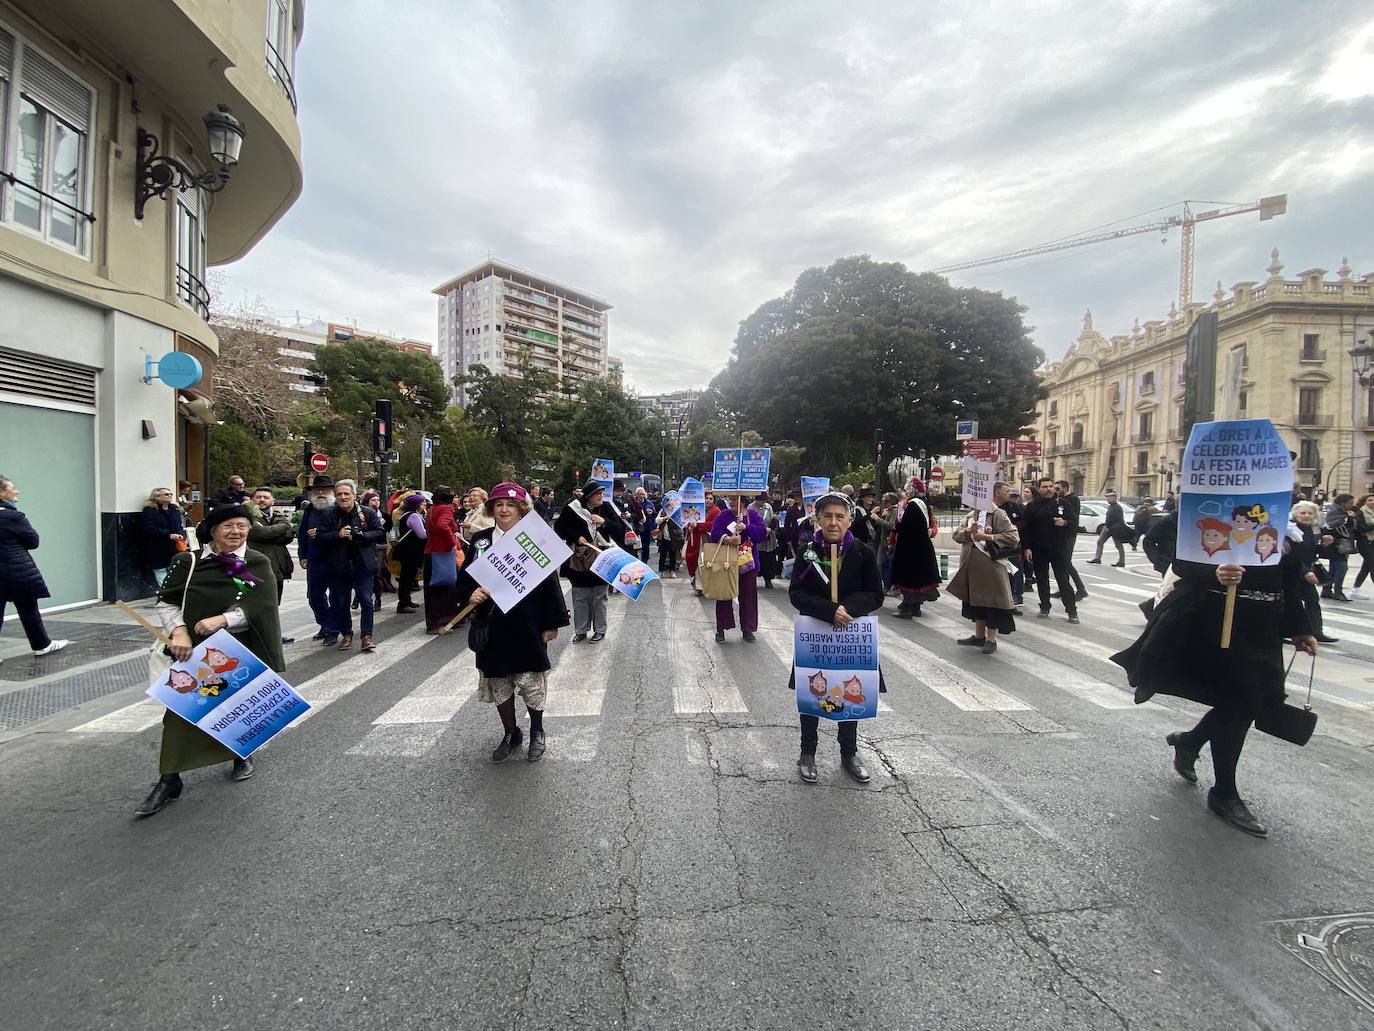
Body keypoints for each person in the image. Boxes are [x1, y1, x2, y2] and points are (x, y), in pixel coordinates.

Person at [1111, 525, 1318, 838]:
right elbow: (1180, 564)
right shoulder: (1212, 515)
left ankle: (1190, 741)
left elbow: (1288, 583)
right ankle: (1224, 793)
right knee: (1239, 702)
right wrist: (1214, 573)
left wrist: (1301, 628)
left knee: (1247, 703)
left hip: (1265, 631)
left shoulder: (1280, 527)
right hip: (1219, 625)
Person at [136, 503, 286, 817]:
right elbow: (167, 602)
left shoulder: (245, 564)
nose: (236, 532)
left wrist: (224, 619)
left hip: (234, 650)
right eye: (229, 526)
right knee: (181, 714)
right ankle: (169, 779)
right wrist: (178, 632)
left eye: (242, 526)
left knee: (234, 709)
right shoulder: (188, 561)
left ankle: (241, 754)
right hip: (191, 652)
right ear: (213, 530)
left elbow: (259, 606)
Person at [457, 483, 570, 762]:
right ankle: (511, 732)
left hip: (527, 623)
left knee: (531, 681)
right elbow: (465, 579)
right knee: (499, 682)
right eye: (498, 505)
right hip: (492, 624)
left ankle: (537, 732)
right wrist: (470, 593)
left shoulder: (535, 539)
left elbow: (550, 583)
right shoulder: (481, 540)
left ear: (522, 510)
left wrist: (551, 623)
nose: (504, 509)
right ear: (491, 509)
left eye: (510, 505)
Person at [788, 491, 884, 784]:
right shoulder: (808, 553)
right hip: (816, 636)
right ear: (818, 519)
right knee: (812, 696)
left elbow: (875, 594)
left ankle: (849, 753)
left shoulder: (862, 552)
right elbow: (797, 594)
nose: (833, 522)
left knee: (851, 692)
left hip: (851, 638)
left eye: (839, 516)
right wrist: (830, 611)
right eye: (827, 516)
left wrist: (849, 610)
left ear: (850, 520)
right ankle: (807, 753)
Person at [0, 474, 68, 660]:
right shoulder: (13, 516)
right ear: (2, 493)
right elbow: (32, 541)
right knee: (28, 608)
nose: (16, 490)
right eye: (11, 487)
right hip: (17, 571)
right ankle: (41, 645)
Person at [947, 484, 1020, 654]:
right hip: (971, 569)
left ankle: (991, 639)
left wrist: (988, 536)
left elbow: (1012, 537)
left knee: (992, 603)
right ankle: (979, 636)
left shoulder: (998, 514)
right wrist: (967, 531)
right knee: (976, 602)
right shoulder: (970, 516)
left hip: (991, 568)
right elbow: (956, 535)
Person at [317, 480, 385, 652]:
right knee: (341, 602)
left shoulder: (367, 513)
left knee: (366, 601)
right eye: (339, 494)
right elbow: (320, 537)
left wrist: (362, 535)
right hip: (338, 566)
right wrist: (338, 534)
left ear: (354, 495)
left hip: (363, 564)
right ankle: (347, 634)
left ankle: (366, 636)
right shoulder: (329, 514)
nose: (343, 497)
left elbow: (379, 532)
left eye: (346, 494)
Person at [555, 483, 615, 642]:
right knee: (580, 596)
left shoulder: (606, 508)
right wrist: (576, 537)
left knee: (600, 596)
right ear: (589, 496)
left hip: (602, 559)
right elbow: (559, 529)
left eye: (602, 493)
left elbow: (618, 529)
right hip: (579, 560)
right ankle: (581, 630)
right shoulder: (572, 508)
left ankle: (600, 630)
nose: (601, 496)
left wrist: (604, 522)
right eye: (598, 494)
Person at [709, 500, 767, 642]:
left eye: (735, 499)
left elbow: (762, 533)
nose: (732, 502)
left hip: (748, 563)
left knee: (748, 597)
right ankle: (721, 629)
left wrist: (746, 527)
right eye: (731, 499)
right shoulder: (723, 515)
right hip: (727, 562)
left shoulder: (752, 515)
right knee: (724, 594)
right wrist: (728, 539)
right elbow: (714, 533)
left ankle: (748, 629)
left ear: (743, 501)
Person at [1022, 478, 1079, 623]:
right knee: (1042, 579)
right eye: (1044, 487)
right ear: (1039, 489)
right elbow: (1025, 529)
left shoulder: (1063, 504)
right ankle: (1045, 606)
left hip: (1059, 547)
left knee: (1063, 579)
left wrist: (1064, 522)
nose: (1048, 489)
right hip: (1039, 548)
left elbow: (1074, 523)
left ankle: (1071, 610)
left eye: (1050, 486)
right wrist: (1027, 547)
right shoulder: (1032, 506)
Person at [247, 487, 295, 644]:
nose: (262, 500)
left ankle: (272, 635)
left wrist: (271, 532)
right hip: (257, 569)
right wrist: (282, 529)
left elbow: (289, 535)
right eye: (258, 497)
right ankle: (258, 636)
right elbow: (258, 534)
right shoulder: (248, 517)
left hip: (278, 568)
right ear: (253, 500)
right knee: (258, 604)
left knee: (274, 604)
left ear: (272, 501)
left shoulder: (278, 516)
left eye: (266, 497)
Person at [296, 475, 338, 642]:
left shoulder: (338, 509)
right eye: (317, 490)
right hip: (315, 560)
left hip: (335, 559)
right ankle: (325, 624)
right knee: (314, 596)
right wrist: (302, 555)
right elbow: (302, 534)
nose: (321, 493)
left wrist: (321, 532)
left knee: (337, 596)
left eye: (325, 489)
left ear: (331, 491)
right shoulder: (310, 510)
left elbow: (344, 531)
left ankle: (332, 629)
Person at [890, 481, 939, 618]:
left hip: (910, 549)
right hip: (921, 548)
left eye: (907, 491)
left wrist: (896, 527)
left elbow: (906, 527)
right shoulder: (924, 504)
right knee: (918, 579)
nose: (905, 494)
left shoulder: (912, 505)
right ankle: (916, 607)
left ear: (911, 492)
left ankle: (907, 608)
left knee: (909, 579)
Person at [1290, 500, 1337, 644]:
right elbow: (1289, 554)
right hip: (1292, 571)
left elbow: (1312, 553)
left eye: (1310, 513)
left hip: (1305, 571)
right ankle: (1287, 632)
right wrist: (1305, 571)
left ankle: (1316, 632)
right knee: (1291, 602)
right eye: (1303, 513)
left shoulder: (1311, 530)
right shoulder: (1290, 529)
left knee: (1312, 601)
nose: (1306, 516)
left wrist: (1324, 545)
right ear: (1295, 514)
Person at [424, 487, 464, 633]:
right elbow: (443, 525)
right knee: (444, 588)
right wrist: (452, 543)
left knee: (434, 589)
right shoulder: (446, 509)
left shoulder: (432, 509)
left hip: (431, 551)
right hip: (442, 553)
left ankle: (443, 620)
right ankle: (439, 622)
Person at [141, 486, 187, 587]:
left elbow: (179, 526)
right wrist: (169, 535)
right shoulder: (150, 510)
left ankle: (173, 591)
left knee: (174, 568)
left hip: (174, 545)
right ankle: (166, 592)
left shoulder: (174, 509)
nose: (170, 496)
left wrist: (182, 536)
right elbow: (149, 528)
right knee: (160, 569)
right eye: (166, 494)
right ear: (157, 497)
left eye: (171, 494)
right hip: (157, 545)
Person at [392, 493, 428, 614]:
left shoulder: (407, 514)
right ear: (417, 505)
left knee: (408, 576)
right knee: (407, 577)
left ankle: (407, 600)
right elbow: (422, 534)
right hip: (410, 550)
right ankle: (403, 603)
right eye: (422, 503)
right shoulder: (414, 516)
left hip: (407, 550)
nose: (424, 505)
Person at [1053, 480, 1088, 601]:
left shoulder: (1072, 499)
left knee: (1066, 562)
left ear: (1065, 488)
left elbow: (1073, 518)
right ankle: (1063, 588)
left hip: (1069, 535)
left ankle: (1081, 589)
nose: (1056, 491)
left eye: (1058, 489)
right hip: (1060, 535)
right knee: (1062, 563)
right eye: (1055, 489)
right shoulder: (1059, 500)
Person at [1320, 493, 1357, 602]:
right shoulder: (1335, 511)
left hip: (1340, 543)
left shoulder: (1341, 511)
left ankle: (1326, 590)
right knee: (1342, 567)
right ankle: (1338, 591)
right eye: (1350, 503)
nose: (1351, 505)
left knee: (1334, 568)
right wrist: (1348, 518)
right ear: (1343, 503)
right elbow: (1333, 525)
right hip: (1335, 543)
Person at [685, 490, 722, 596]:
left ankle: (709, 586)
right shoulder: (696, 509)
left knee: (708, 563)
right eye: (707, 498)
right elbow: (690, 522)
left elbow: (713, 525)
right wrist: (691, 527)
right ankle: (699, 586)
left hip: (708, 540)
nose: (708, 501)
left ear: (714, 500)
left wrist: (699, 526)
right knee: (698, 562)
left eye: (710, 499)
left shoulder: (717, 511)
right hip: (696, 540)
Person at [998, 486, 1027, 607]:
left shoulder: (1016, 507)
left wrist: (1014, 527)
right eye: (1008, 492)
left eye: (1014, 495)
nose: (1011, 496)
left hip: (1014, 544)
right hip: (999, 545)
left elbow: (1023, 523)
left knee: (1016, 571)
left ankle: (1017, 596)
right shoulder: (995, 509)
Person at [1087, 490, 1129, 567]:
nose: (1108, 499)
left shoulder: (1117, 508)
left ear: (1114, 498)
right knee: (1100, 542)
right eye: (1107, 498)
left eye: (1109, 498)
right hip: (1107, 528)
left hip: (1114, 529)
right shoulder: (1111, 507)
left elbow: (1119, 520)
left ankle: (1121, 561)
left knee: (1118, 545)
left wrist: (1112, 528)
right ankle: (1097, 558)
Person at [871, 492, 900, 595]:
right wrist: (880, 517)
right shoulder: (888, 511)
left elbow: (892, 526)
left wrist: (877, 519)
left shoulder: (895, 510)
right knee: (880, 565)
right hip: (882, 542)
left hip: (889, 542)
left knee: (887, 565)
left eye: (885, 500)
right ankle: (885, 586)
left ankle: (890, 587)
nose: (883, 502)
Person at [1349, 493, 1374, 600]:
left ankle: (1355, 588)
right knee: (1372, 564)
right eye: (1370, 500)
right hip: (1364, 542)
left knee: (1366, 566)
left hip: (1373, 542)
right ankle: (1355, 589)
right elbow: (1362, 529)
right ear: (1364, 502)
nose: (1372, 502)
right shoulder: (1361, 513)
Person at [749, 492, 777, 588]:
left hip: (767, 538)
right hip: (756, 536)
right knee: (755, 558)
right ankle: (753, 579)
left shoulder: (768, 507)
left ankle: (768, 580)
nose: (762, 502)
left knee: (768, 559)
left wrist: (769, 529)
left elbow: (773, 519)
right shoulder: (751, 508)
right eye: (760, 500)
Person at [656, 501, 686, 578]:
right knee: (662, 555)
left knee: (672, 555)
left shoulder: (677, 513)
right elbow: (657, 520)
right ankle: (661, 571)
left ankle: (672, 571)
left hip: (673, 537)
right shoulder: (662, 511)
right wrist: (665, 518)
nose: (670, 506)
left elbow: (681, 523)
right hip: (663, 537)